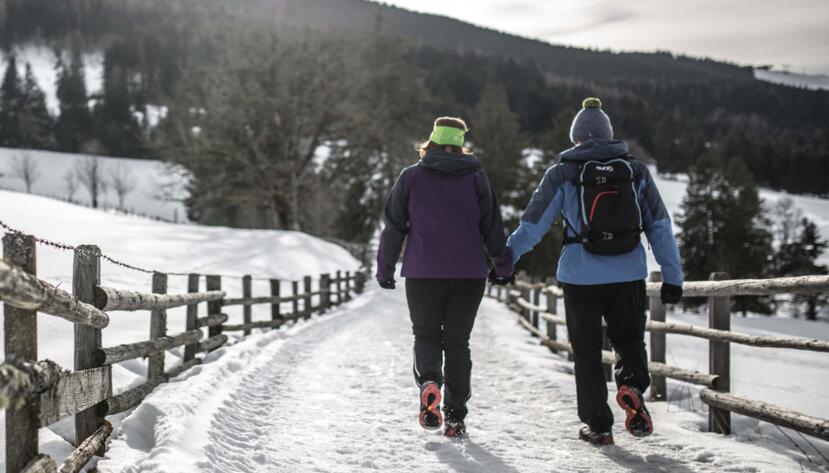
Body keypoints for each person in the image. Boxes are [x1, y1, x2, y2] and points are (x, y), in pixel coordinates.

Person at [506, 98, 684, 446]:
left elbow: (533, 225)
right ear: (609, 135)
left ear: (576, 139)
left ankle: (598, 426)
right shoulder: (635, 172)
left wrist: (506, 261)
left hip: (580, 277)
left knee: (586, 353)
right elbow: (660, 226)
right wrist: (672, 276)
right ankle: (632, 385)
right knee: (629, 341)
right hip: (628, 274)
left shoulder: (563, 172)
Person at [376, 116, 514, 438]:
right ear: (460, 144)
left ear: (431, 142)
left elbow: (394, 226)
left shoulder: (411, 177)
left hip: (423, 274)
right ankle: (455, 418)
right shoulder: (477, 178)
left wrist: (385, 269)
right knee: (457, 343)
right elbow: (492, 227)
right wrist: (503, 267)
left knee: (426, 336)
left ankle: (429, 383)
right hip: (469, 275)